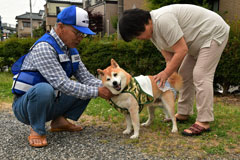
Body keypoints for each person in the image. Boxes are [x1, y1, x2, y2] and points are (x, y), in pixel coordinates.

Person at [119, 4, 229, 136]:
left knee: (201, 75)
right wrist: (168, 76)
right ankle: (184, 112)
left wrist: (166, 73)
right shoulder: (153, 35)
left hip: (213, 32)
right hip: (196, 42)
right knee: (184, 74)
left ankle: (204, 121)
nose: (139, 39)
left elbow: (182, 50)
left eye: (137, 35)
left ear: (144, 23)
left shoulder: (163, 20)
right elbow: (170, 59)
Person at [11, 5, 113, 147]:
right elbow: (62, 84)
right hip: (25, 106)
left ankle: (59, 121)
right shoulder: (44, 47)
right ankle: (37, 129)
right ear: (60, 26)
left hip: (51, 103)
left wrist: (111, 87)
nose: (80, 38)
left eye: (82, 34)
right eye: (77, 32)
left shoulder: (71, 50)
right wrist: (97, 92)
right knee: (43, 89)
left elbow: (87, 78)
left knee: (86, 87)